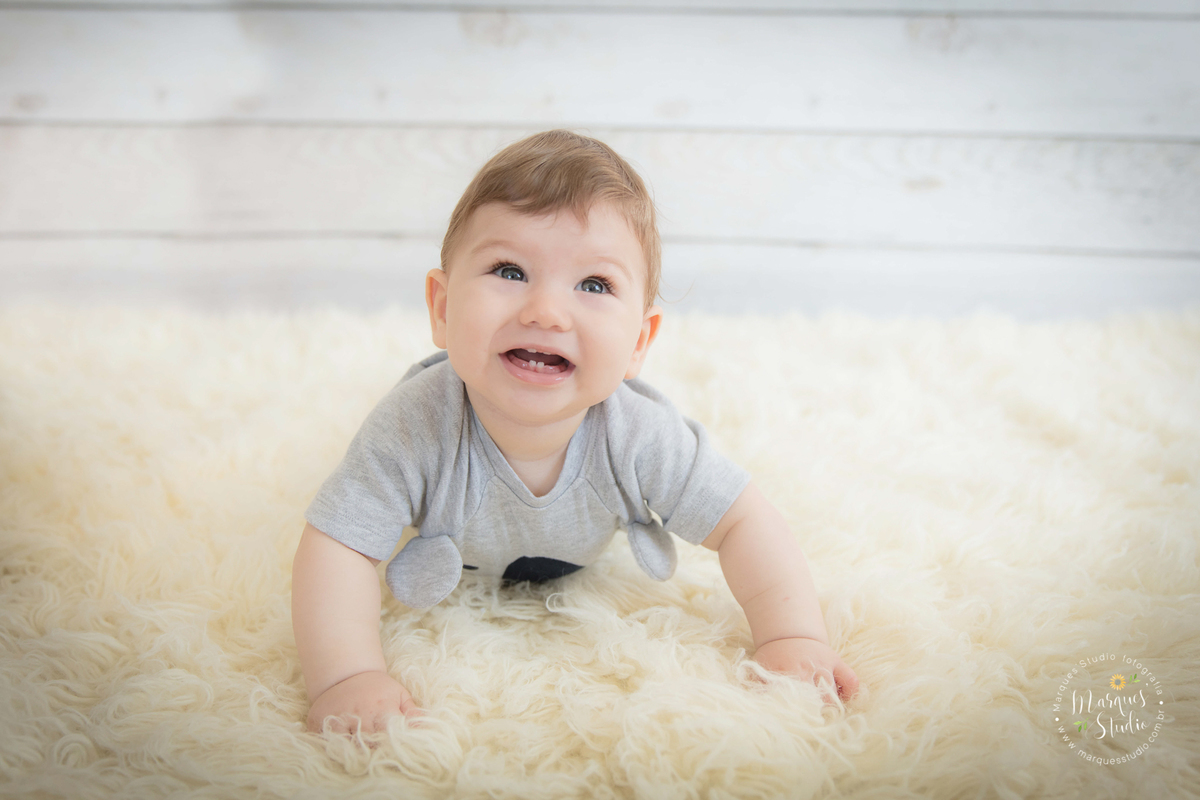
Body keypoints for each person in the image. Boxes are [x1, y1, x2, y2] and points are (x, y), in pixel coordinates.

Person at [292, 130, 859, 735]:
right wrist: (346, 676)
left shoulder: (640, 434)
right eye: (509, 270)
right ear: (442, 307)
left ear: (639, 341)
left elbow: (744, 520)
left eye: (594, 285)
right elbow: (338, 546)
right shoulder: (412, 426)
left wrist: (792, 636)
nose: (545, 311)